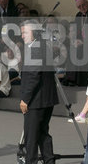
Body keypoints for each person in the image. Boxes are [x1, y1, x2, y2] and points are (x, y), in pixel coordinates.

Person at [19, 20, 59, 164]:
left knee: (31, 137)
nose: (22, 35)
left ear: (34, 32)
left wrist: (25, 99)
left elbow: (33, 76)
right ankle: (49, 161)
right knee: (43, 134)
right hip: (46, 98)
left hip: (36, 100)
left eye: (25, 32)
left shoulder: (35, 48)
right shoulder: (43, 46)